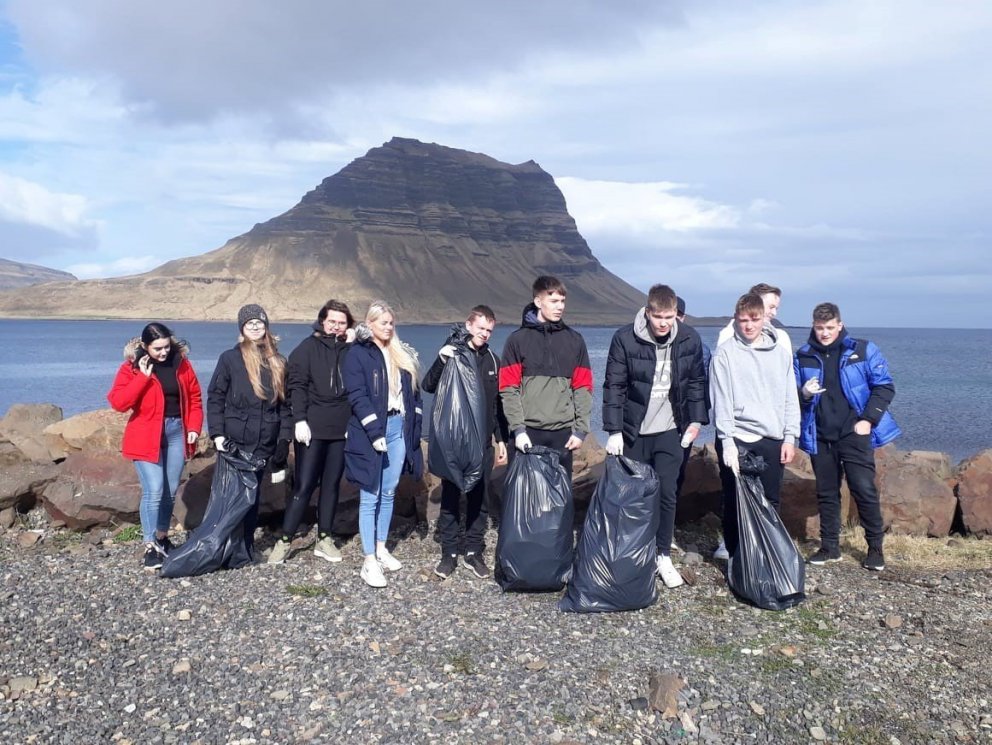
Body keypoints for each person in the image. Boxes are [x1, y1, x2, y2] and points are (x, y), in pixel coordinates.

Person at [602, 284, 708, 588]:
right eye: (658, 316)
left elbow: (696, 382)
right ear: (648, 312)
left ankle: (662, 554)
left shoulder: (690, 338)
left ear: (676, 314)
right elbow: (614, 386)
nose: (664, 323)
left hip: (671, 430)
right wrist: (613, 430)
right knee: (634, 495)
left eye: (670, 317)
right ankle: (632, 552)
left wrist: (697, 420)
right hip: (635, 430)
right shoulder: (625, 338)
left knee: (666, 493)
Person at [794, 303, 900, 571]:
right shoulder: (803, 355)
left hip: (854, 432)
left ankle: (875, 548)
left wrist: (867, 420)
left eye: (830, 328)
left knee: (863, 489)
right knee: (826, 493)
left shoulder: (862, 350)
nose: (825, 333)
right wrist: (803, 393)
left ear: (840, 325)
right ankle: (830, 547)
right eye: (819, 328)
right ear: (813, 326)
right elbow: (792, 397)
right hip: (819, 434)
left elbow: (885, 387)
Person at [710, 293, 800, 558]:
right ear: (736, 320)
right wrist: (726, 442)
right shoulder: (725, 353)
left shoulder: (781, 353)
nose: (748, 325)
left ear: (764, 318)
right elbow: (722, 399)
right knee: (734, 500)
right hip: (737, 438)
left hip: (772, 438)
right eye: (743, 320)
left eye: (754, 319)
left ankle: (767, 557)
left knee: (770, 501)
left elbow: (789, 397)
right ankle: (737, 557)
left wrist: (790, 437)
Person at [422, 305, 508, 580]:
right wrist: (440, 359)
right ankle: (448, 554)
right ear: (469, 325)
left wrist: (500, 439)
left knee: (478, 499)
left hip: (482, 444)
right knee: (449, 497)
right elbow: (428, 386)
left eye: (489, 330)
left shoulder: (493, 361)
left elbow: (497, 406)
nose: (485, 334)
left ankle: (473, 552)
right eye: (481, 328)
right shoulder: (453, 354)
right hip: (454, 444)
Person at [108, 323, 203, 570]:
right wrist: (142, 376)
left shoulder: (181, 363)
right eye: (157, 348)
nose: (163, 353)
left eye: (166, 347)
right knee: (154, 489)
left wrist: (193, 428)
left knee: (171, 490)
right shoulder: (131, 367)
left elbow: (194, 397)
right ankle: (150, 546)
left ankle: (162, 537)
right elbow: (119, 403)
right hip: (145, 434)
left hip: (176, 432)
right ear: (145, 346)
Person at [343, 301, 423, 588]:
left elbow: (413, 397)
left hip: (396, 427)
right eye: (383, 322)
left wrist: (411, 430)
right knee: (371, 494)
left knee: (388, 492)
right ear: (370, 323)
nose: (388, 327)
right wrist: (374, 431)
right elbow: (357, 396)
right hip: (369, 432)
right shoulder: (357, 354)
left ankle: (380, 547)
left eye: (391, 322)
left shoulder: (399, 354)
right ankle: (368, 561)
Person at [268, 300, 355, 565]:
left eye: (342, 322)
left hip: (341, 428)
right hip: (312, 428)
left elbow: (361, 384)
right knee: (305, 485)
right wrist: (300, 420)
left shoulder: (353, 350)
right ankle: (285, 541)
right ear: (322, 321)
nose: (336, 326)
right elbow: (296, 386)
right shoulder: (306, 349)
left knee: (331, 485)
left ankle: (325, 538)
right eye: (332, 321)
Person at [207, 304, 293, 559]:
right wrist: (218, 434)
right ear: (242, 330)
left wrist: (283, 439)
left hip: (264, 441)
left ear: (266, 326)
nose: (255, 327)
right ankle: (223, 548)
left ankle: (245, 548)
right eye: (249, 324)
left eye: (259, 322)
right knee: (230, 496)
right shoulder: (230, 359)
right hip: (236, 441)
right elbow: (215, 397)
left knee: (252, 496)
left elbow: (286, 406)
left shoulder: (278, 361)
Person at [499, 275, 592, 481]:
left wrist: (580, 431)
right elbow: (508, 388)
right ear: (538, 302)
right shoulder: (517, 340)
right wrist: (518, 429)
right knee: (524, 498)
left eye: (562, 301)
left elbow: (583, 387)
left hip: (563, 435)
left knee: (559, 501)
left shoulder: (575, 340)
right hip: (528, 433)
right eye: (554, 301)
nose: (560, 307)